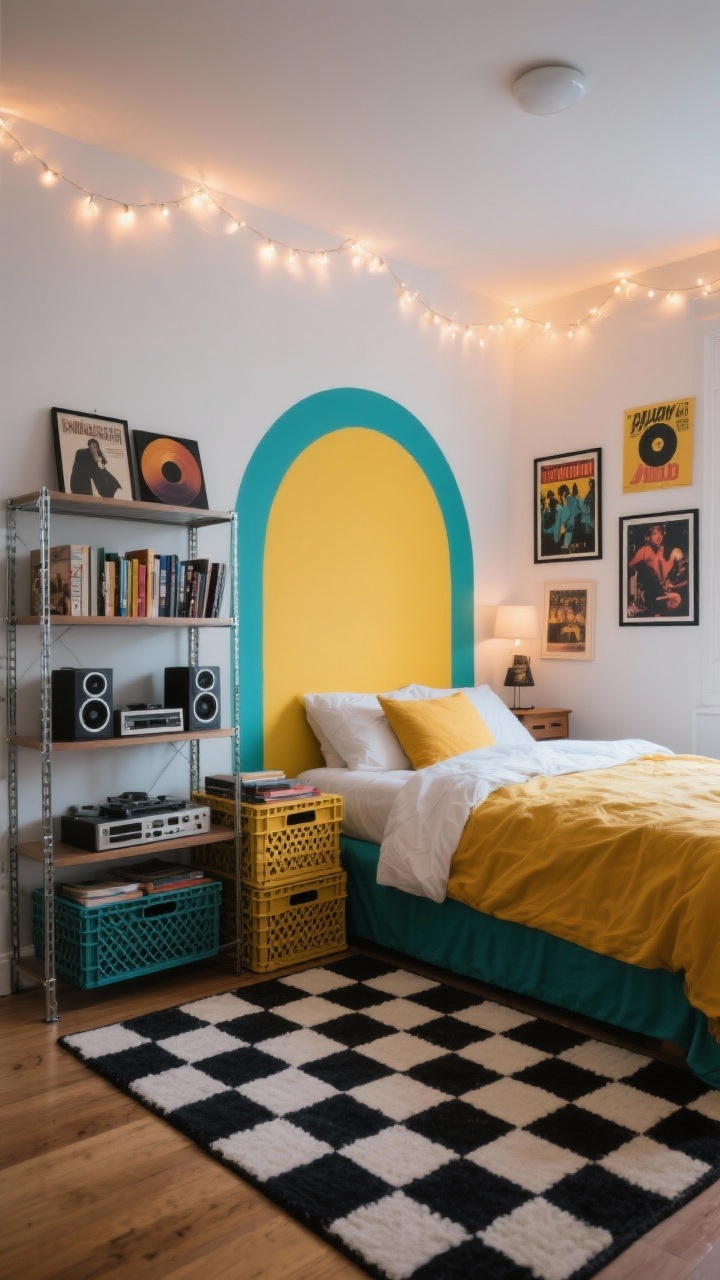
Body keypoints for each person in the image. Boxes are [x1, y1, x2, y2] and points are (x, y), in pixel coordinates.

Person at [627, 523, 687, 616]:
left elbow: (687, 577)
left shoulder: (673, 552)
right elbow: (628, 568)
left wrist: (674, 587)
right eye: (655, 534)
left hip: (673, 596)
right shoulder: (645, 551)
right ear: (648, 537)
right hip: (655, 597)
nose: (659, 537)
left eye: (661, 534)